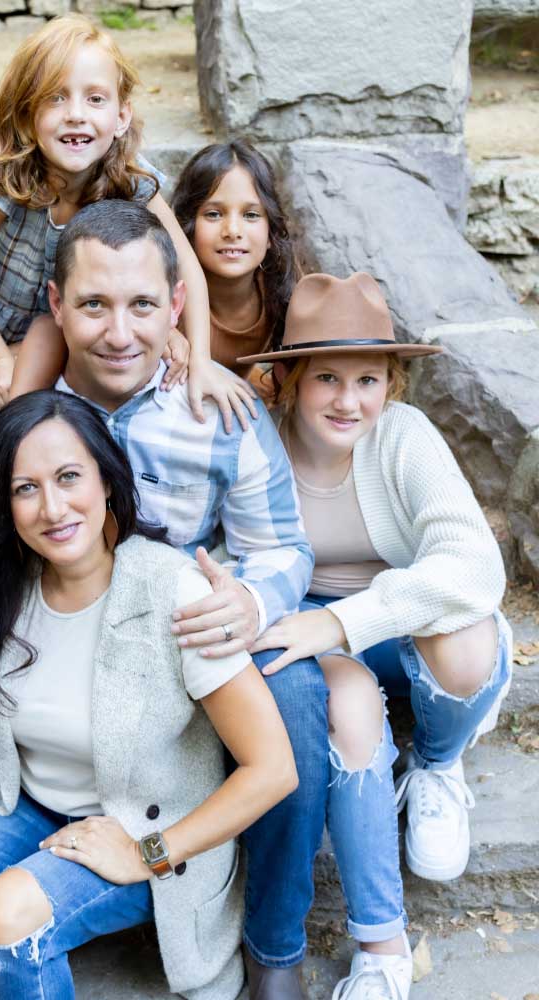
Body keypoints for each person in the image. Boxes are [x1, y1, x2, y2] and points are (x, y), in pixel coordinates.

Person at [0, 200, 328, 999]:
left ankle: (273, 949)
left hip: (178, 621)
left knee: (297, 693)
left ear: (177, 306)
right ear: (57, 308)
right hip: (32, 600)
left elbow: (284, 549)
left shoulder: (218, 410)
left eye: (142, 305)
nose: (119, 331)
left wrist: (246, 599)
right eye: (94, 305)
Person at [240, 272, 512, 1000]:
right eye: (326, 377)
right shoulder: (258, 442)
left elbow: (473, 565)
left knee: (464, 643)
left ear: (391, 383)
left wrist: (344, 618)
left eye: (367, 379)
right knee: (351, 710)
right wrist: (320, 629)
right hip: (313, 641)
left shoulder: (402, 437)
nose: (347, 400)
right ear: (290, 379)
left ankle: (436, 760)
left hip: (408, 635)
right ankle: (383, 948)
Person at [0, 13, 254, 429]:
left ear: (122, 116)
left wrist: (200, 357)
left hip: (72, 326)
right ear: (27, 113)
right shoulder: (8, 173)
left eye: (95, 99)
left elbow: (186, 267)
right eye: (55, 98)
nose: (75, 114)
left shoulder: (132, 180)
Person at [171, 139, 298, 387]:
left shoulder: (278, 289)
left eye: (251, 215)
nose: (232, 231)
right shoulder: (167, 294)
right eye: (214, 214)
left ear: (272, 231)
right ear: (188, 227)